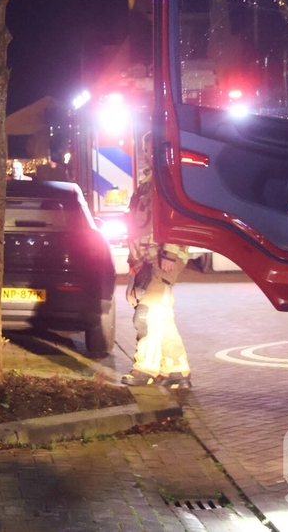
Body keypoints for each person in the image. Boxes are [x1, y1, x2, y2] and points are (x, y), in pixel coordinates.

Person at [121, 131, 192, 389]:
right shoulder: (147, 183)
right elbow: (136, 228)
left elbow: (177, 217)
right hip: (146, 259)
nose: (151, 154)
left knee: (146, 314)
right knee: (161, 314)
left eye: (155, 150)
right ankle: (176, 371)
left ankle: (145, 368)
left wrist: (170, 252)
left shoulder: (169, 180)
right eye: (147, 149)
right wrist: (133, 270)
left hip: (164, 258)